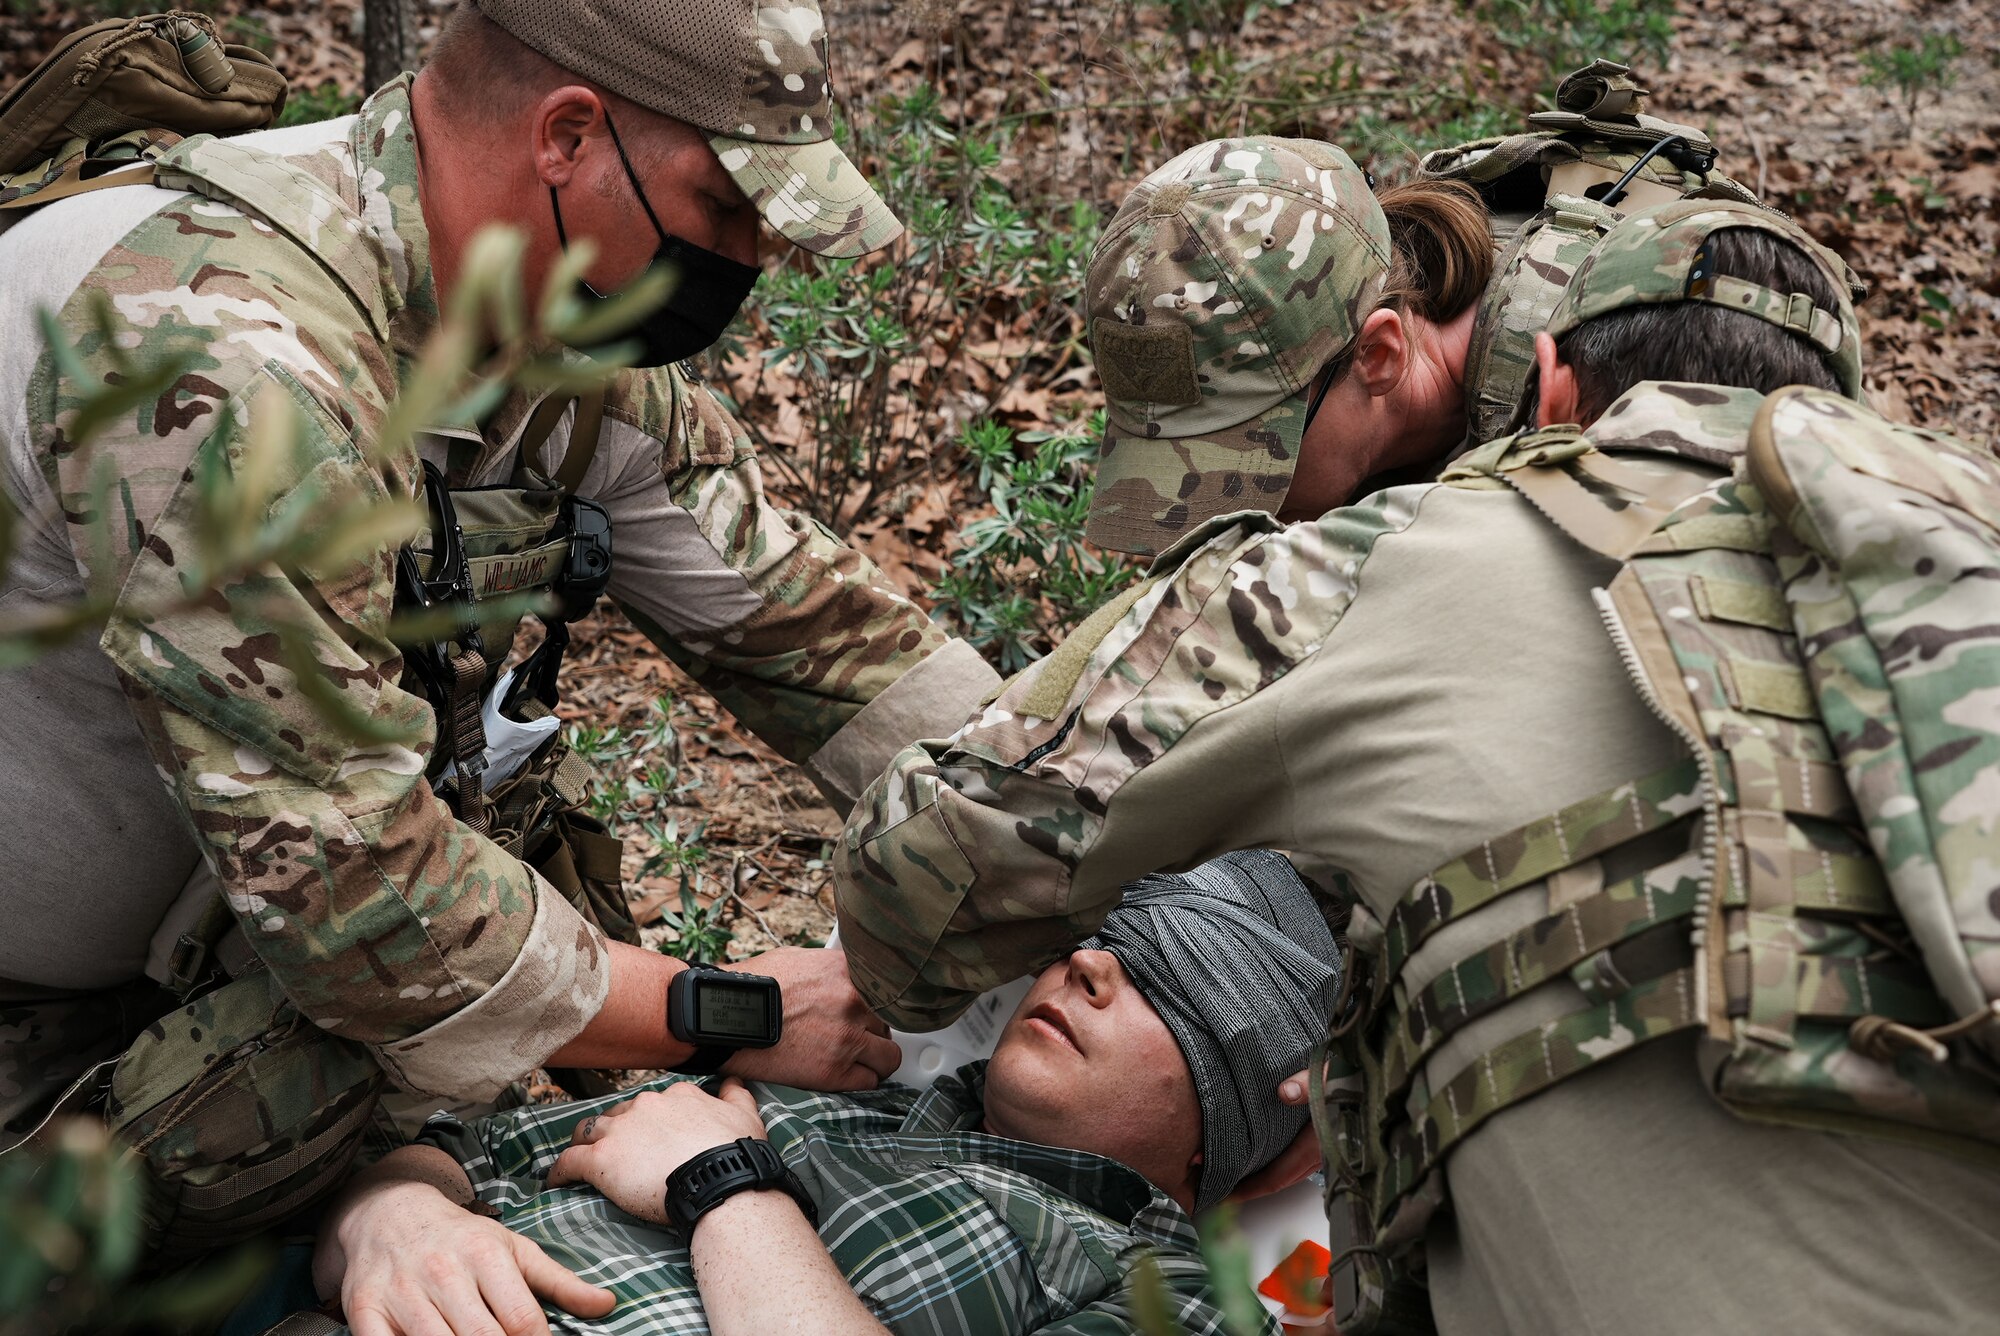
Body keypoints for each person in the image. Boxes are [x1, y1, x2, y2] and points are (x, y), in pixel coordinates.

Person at [833, 137, 2000, 1333]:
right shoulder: (1913, 560)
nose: (1234, 509)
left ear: (1513, 388)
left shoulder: (1406, 554)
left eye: (1252, 456)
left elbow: (916, 890)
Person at [0, 0, 1002, 1148]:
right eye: (724, 205)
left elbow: (828, 645)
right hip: (54, 1041)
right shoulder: (226, 354)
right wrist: (734, 1013)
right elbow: (361, 909)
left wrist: (1071, 828)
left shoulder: (523, 321)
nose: (751, 259)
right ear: (565, 136)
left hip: (230, 983)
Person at [301, 851, 1339, 1336]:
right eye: (1107, 940)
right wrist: (396, 1214)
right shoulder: (830, 1096)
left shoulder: (1169, 1299)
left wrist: (724, 1186)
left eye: (1172, 989)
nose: (1090, 966)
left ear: (1240, 1127)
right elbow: (444, 1155)